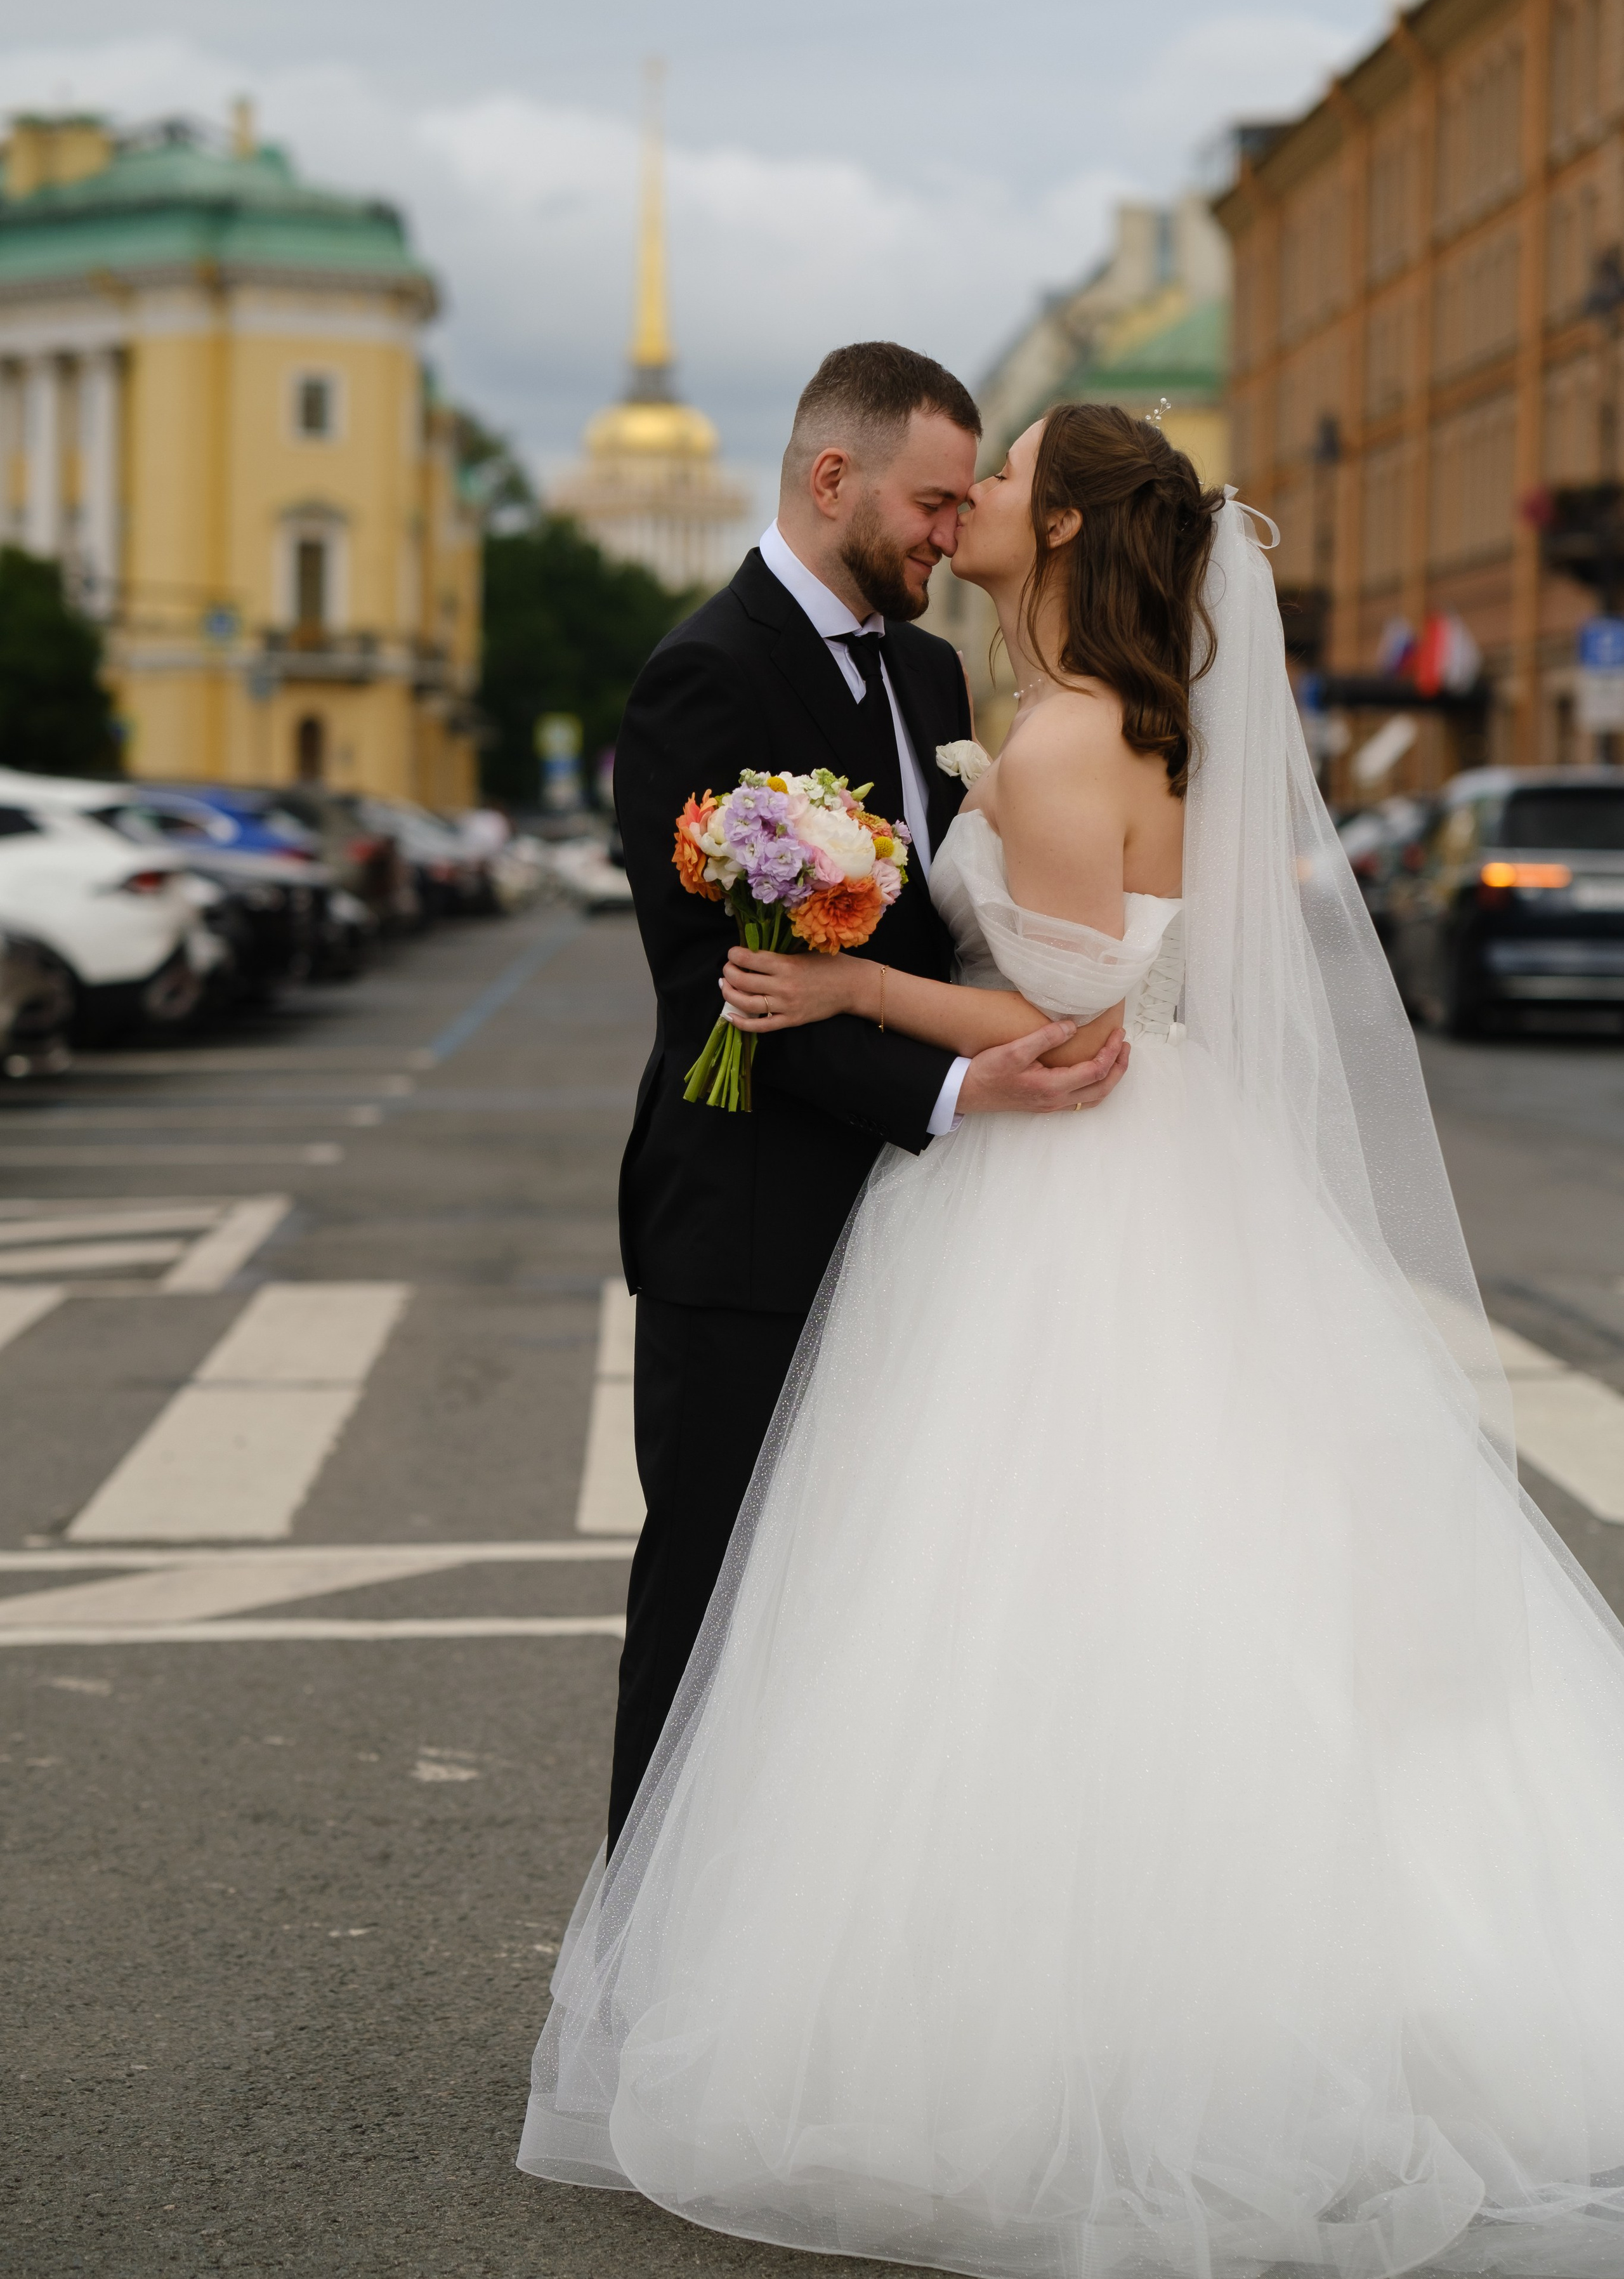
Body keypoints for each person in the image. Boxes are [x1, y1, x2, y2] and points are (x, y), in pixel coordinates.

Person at [522, 401, 1624, 2279]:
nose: (973, 500)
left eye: (1006, 474)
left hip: (1061, 1179)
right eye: (956, 477)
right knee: (1158, 1584)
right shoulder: (1088, 712)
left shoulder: (1047, 737)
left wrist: (854, 979)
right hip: (1125, 1174)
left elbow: (1078, 1019)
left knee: (1016, 1605)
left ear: (1062, 526)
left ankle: (1044, 2032)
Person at [606, 343, 1128, 1848]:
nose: (949, 534)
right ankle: (648, 1952)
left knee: (856, 1624)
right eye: (931, 503)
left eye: (967, 504)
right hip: (748, 1228)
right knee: (707, 1614)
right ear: (832, 478)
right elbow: (724, 989)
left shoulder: (927, 670)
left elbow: (927, 938)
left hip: (924, 1236)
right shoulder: (704, 673)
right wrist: (960, 1082)